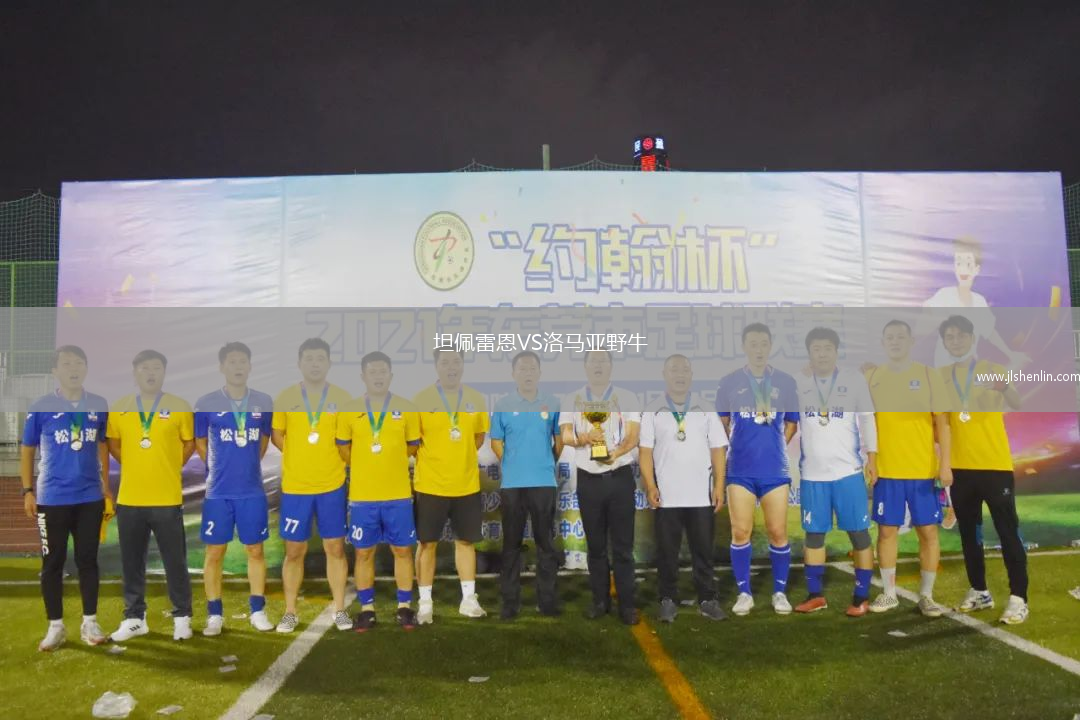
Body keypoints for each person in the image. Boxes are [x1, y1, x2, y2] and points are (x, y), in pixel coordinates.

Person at [937, 315, 1029, 624]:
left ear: (972, 338)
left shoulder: (993, 369)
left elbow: (1016, 403)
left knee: (1008, 531)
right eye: (949, 337)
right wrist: (945, 464)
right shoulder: (941, 376)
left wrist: (1005, 387)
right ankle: (979, 591)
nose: (955, 341)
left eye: (961, 335)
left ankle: (1019, 598)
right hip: (961, 470)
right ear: (944, 342)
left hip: (994, 465)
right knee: (969, 533)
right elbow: (944, 424)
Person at [21, 345, 112, 651]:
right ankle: (56, 626)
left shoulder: (98, 404)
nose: (74, 368)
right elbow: (27, 449)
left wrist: (105, 486)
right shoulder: (41, 406)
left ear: (86, 368)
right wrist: (27, 490)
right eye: (67, 363)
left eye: (79, 363)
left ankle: (90, 622)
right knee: (53, 562)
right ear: (55, 371)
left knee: (88, 560)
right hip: (52, 498)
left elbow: (102, 444)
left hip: (89, 498)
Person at [107, 349, 196, 642]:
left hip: (166, 499)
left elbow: (189, 443)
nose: (150, 373)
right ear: (135, 372)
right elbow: (113, 444)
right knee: (132, 563)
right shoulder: (119, 408)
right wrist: (134, 464)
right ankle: (135, 618)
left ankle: (182, 617)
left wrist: (170, 464)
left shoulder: (179, 406)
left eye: (156, 367)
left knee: (175, 562)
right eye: (144, 367)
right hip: (130, 499)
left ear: (164, 372)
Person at [866, 320, 950, 616]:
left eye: (901, 336)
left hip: (922, 471)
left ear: (912, 341)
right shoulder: (873, 377)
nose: (895, 341)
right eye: (890, 337)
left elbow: (942, 423)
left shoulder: (928, 375)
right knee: (886, 532)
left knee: (928, 532)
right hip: (887, 471)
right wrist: (871, 461)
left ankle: (926, 595)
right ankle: (889, 594)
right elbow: (867, 423)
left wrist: (945, 464)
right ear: (883, 342)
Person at [715, 323, 800, 616]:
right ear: (744, 347)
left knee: (777, 531)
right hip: (740, 469)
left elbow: (792, 423)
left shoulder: (786, 382)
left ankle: (779, 592)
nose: (759, 349)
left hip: (774, 469)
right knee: (741, 531)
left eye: (764, 343)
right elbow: (722, 424)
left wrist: (773, 446)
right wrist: (742, 445)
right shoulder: (729, 382)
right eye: (753, 344)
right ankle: (744, 593)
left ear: (771, 346)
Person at [793, 328, 877, 617]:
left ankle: (861, 597)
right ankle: (815, 595)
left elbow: (867, 418)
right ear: (809, 353)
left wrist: (872, 458)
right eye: (816, 349)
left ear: (836, 351)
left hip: (848, 473)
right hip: (812, 475)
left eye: (827, 348)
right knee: (814, 536)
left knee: (859, 534)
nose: (822, 354)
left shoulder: (853, 379)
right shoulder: (799, 381)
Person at [193, 342, 275, 635]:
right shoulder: (206, 402)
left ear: (250, 366)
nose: (237, 367)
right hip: (218, 492)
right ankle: (215, 615)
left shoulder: (263, 401)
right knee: (215, 552)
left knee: (255, 550)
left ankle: (258, 610)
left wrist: (247, 464)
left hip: (251, 490)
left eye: (242, 361)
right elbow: (200, 441)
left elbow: (263, 440)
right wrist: (218, 467)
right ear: (222, 367)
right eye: (231, 361)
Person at [639, 354, 728, 623]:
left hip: (700, 496)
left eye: (684, 370)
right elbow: (645, 452)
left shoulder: (705, 408)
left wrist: (719, 486)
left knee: (703, 552)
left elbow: (718, 449)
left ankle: (707, 600)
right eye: (674, 370)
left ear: (691, 375)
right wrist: (650, 485)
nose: (680, 374)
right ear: (664, 375)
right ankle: (667, 599)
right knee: (667, 553)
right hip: (666, 497)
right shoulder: (653, 410)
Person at [336, 351, 421, 631]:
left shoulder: (406, 408)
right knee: (363, 553)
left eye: (383, 371)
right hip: (362, 497)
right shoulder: (349, 410)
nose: (378, 376)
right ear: (363, 376)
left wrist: (389, 462)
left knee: (403, 551)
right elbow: (343, 448)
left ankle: (404, 607)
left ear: (391, 375)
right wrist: (365, 465)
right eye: (372, 371)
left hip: (398, 495)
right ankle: (367, 609)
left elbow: (412, 445)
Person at [272, 338, 352, 633]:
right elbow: (277, 435)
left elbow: (346, 440)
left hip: (332, 485)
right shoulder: (286, 397)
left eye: (320, 358)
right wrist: (298, 458)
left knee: (335, 548)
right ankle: (290, 612)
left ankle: (340, 609)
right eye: (309, 358)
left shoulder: (342, 398)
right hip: (296, 487)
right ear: (299, 363)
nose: (315, 364)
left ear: (328, 363)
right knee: (294, 551)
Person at [559, 350, 642, 625]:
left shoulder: (626, 397)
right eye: (593, 361)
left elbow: (633, 436)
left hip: (619, 478)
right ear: (585, 367)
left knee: (623, 548)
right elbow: (565, 434)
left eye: (603, 361)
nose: (598, 366)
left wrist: (615, 453)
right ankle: (599, 601)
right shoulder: (572, 399)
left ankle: (627, 605)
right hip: (588, 480)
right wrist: (583, 437)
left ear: (611, 366)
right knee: (595, 547)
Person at [412, 348, 490, 624]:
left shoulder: (475, 399)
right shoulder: (421, 400)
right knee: (427, 543)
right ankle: (425, 603)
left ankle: (468, 600)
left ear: (463, 365)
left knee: (465, 542)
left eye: (456, 361)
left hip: (465, 484)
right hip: (430, 485)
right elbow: (414, 442)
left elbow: (478, 438)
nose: (451, 367)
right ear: (436, 366)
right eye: (445, 362)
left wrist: (459, 458)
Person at [489, 350, 563, 620]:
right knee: (511, 544)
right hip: (513, 484)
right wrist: (512, 463)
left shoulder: (552, 402)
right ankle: (510, 603)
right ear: (513, 373)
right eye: (522, 368)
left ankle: (547, 601)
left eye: (532, 368)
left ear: (540, 373)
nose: (527, 373)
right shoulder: (503, 404)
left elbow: (558, 441)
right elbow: (496, 442)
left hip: (543, 482)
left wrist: (545, 463)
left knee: (545, 544)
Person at [919, 237, 1029, 370]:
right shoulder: (945, 295)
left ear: (976, 269)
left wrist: (1010, 355)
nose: (963, 269)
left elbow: (991, 333)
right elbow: (926, 314)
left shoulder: (979, 301)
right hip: (946, 368)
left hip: (970, 368)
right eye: (959, 263)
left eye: (968, 264)